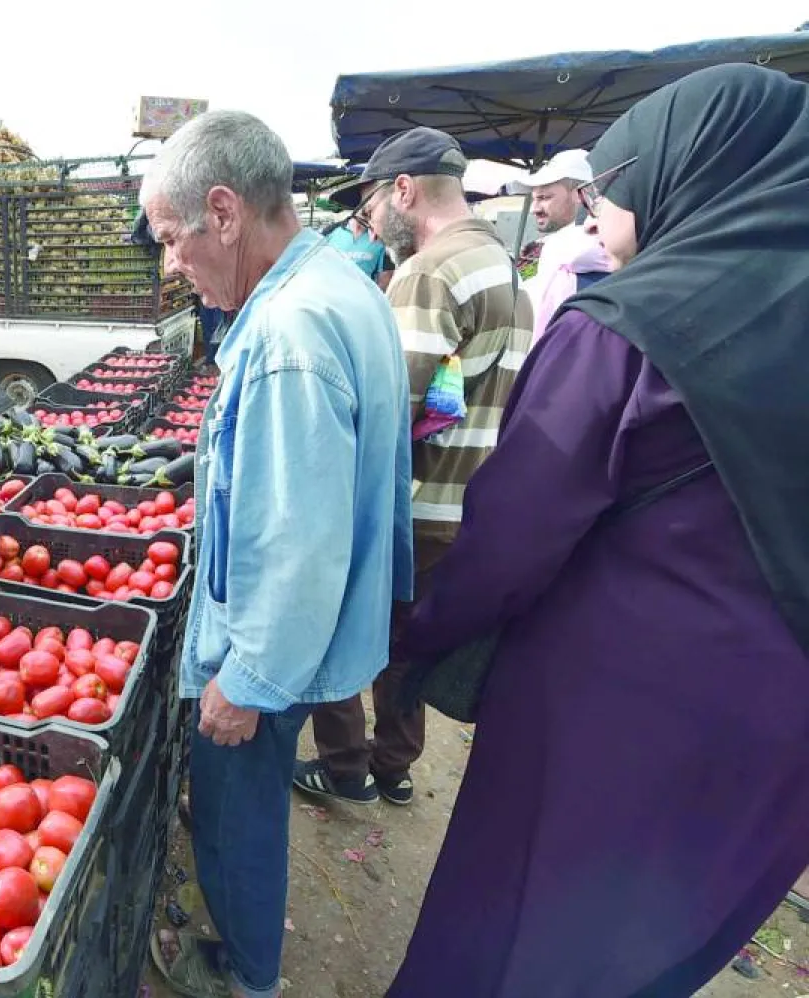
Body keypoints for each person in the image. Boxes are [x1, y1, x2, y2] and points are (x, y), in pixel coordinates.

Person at [386, 64, 809, 996]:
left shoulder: (629, 326)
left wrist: (421, 632)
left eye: (612, 192)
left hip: (609, 715)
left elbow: (512, 532)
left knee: (519, 934)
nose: (596, 223)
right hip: (774, 740)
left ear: (688, 170)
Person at [141, 109, 413, 998]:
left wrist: (247, 679)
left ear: (224, 212)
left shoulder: (287, 336)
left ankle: (244, 975)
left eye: (173, 240)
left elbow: (299, 543)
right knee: (241, 808)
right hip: (320, 633)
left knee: (236, 815)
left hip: (276, 647)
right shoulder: (341, 285)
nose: (172, 265)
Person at [294, 127, 532, 807]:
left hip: (412, 501)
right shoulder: (503, 266)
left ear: (404, 190)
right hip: (464, 501)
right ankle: (393, 766)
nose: (369, 221)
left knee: (343, 626)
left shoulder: (431, 271)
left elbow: (387, 402)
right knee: (407, 645)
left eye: (370, 205)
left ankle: (343, 765)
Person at [510, 148, 612, 337]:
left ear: (580, 194)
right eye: (533, 199)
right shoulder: (536, 250)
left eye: (545, 197)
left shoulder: (565, 248)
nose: (535, 209)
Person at [321, 214, 394, 289]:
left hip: (362, 296)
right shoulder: (332, 230)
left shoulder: (381, 237)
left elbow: (385, 277)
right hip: (330, 293)